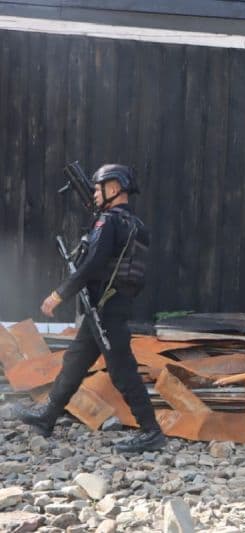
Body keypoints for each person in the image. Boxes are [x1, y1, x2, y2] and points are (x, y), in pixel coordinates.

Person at [14, 164, 165, 454]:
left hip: (105, 310)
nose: (95, 194)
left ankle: (151, 431)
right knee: (75, 360)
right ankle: (48, 416)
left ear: (114, 188)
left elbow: (92, 265)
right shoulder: (137, 226)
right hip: (112, 305)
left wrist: (59, 295)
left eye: (99, 188)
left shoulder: (108, 222)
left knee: (122, 370)